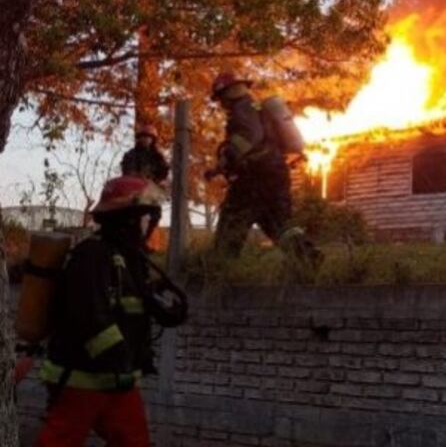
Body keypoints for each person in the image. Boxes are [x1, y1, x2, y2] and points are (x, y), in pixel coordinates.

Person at [35, 176, 187, 447]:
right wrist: (120, 360)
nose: (150, 226)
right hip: (82, 377)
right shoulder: (92, 256)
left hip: (115, 378)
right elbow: (89, 317)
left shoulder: (129, 260)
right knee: (60, 442)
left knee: (134, 442)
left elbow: (135, 304)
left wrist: (164, 310)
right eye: (146, 218)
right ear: (129, 218)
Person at [208, 72, 318, 264]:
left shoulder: (242, 109)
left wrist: (230, 155)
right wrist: (220, 167)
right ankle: (307, 260)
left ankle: (220, 270)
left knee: (232, 221)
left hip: (253, 178)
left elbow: (251, 136)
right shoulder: (257, 108)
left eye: (221, 98)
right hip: (275, 174)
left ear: (228, 93)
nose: (221, 104)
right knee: (280, 224)